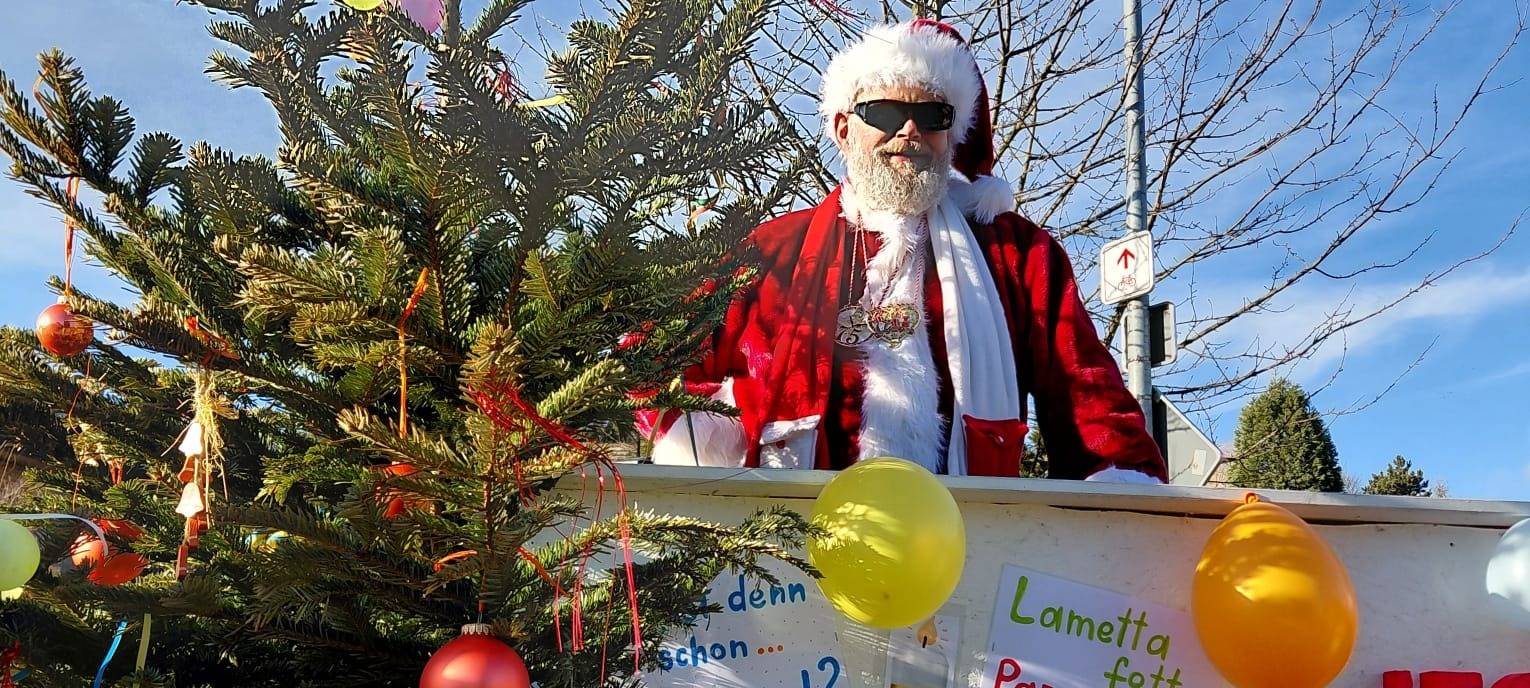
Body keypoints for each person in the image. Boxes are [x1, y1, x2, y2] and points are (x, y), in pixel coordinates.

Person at [641, 19, 1166, 483]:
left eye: (933, 114)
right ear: (844, 129)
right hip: (791, 558)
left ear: (952, 135)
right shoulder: (773, 252)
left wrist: (1121, 490)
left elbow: (1088, 398)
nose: (910, 129)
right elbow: (644, 364)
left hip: (969, 550)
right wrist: (747, 418)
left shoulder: (1017, 256)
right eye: (885, 111)